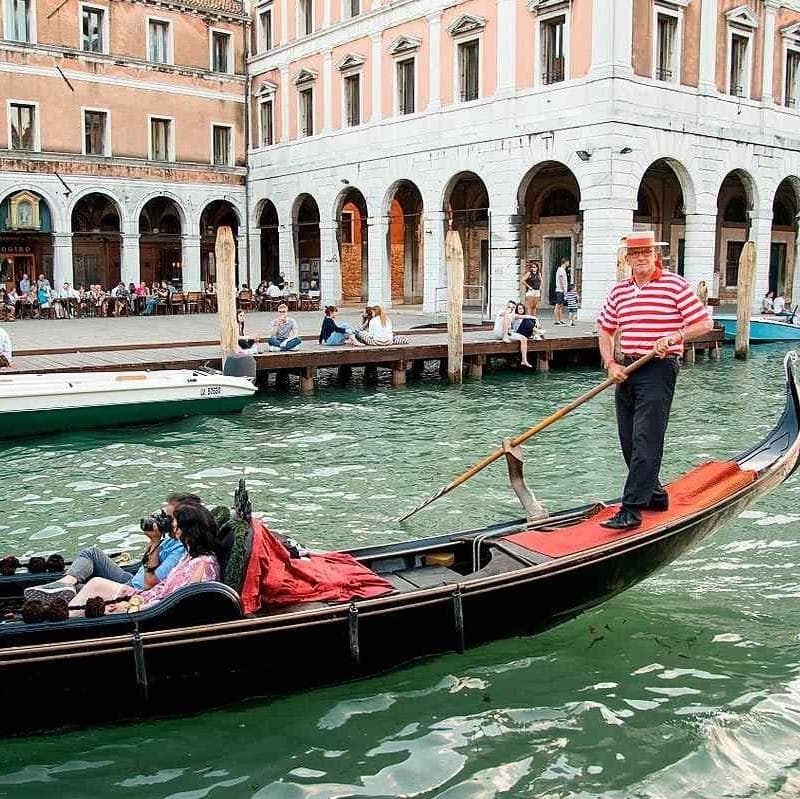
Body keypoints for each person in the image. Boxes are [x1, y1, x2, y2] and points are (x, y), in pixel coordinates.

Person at [596, 230, 713, 531]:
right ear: (627, 259)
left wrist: (675, 336)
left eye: (646, 252)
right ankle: (655, 495)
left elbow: (704, 323)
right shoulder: (620, 290)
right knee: (627, 439)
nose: (640, 258)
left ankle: (632, 509)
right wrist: (610, 363)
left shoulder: (674, 285)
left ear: (655, 255)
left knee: (646, 438)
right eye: (635, 254)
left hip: (658, 367)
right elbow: (604, 327)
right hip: (627, 367)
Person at [24, 492, 203, 603]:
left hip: (136, 588)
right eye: (163, 515)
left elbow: (150, 583)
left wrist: (155, 542)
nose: (162, 520)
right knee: (92, 553)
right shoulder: (171, 538)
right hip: (132, 578)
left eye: (168, 518)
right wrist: (153, 541)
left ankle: (65, 594)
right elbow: (145, 566)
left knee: (85, 589)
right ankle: (64, 583)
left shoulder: (181, 548)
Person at [70, 503, 220, 616]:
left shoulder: (203, 564)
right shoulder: (190, 556)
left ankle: (62, 624)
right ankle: (65, 612)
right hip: (146, 598)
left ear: (188, 530)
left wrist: (130, 607)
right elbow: (161, 587)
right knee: (95, 583)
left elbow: (179, 603)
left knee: (93, 586)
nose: (173, 529)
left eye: (176, 527)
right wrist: (154, 542)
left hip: (151, 611)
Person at [554, 258, 569, 325]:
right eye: (568, 262)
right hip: (560, 290)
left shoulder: (563, 270)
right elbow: (561, 279)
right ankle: (557, 320)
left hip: (562, 290)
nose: (568, 264)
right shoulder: (560, 269)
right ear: (565, 262)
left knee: (561, 306)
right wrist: (563, 289)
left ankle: (561, 319)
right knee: (558, 305)